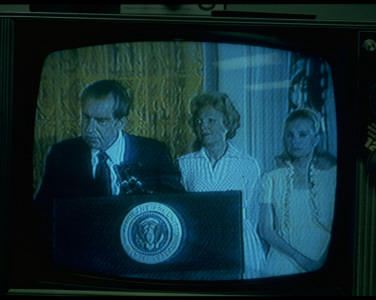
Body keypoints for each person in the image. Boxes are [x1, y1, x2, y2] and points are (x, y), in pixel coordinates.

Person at [34, 79, 184, 240]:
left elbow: (176, 205)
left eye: (101, 121)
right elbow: (43, 211)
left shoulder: (153, 152)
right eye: (86, 118)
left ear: (120, 123)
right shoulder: (62, 154)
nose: (89, 129)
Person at [177, 92, 265, 279]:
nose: (204, 127)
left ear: (227, 123)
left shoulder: (248, 164)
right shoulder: (184, 164)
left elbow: (253, 213)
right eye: (200, 122)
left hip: (241, 243)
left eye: (211, 120)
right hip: (200, 242)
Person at [257, 108, 337, 277]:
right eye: (289, 135)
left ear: (315, 139)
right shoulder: (271, 178)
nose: (295, 141)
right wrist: (300, 259)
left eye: (302, 134)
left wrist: (322, 261)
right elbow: (265, 229)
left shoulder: (331, 177)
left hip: (321, 254)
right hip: (283, 258)